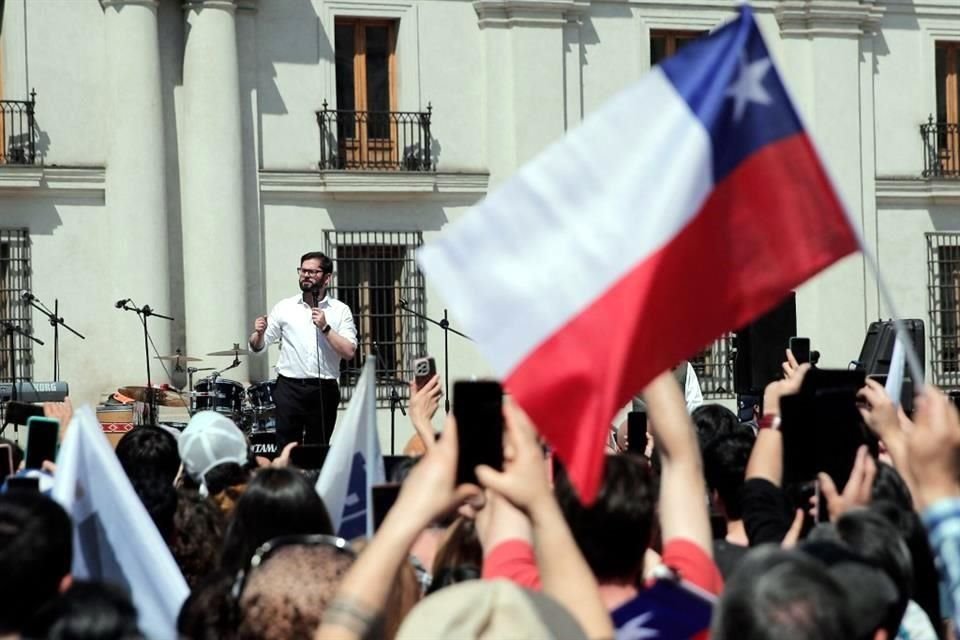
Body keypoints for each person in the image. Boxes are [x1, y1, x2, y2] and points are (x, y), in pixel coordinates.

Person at [249, 251, 358, 449]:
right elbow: (258, 347)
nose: (305, 275)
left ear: (327, 278)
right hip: (289, 388)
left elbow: (349, 352)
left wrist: (326, 328)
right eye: (302, 270)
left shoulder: (340, 310)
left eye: (312, 271)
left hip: (323, 389)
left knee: (318, 449)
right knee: (286, 449)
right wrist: (258, 334)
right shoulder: (285, 307)